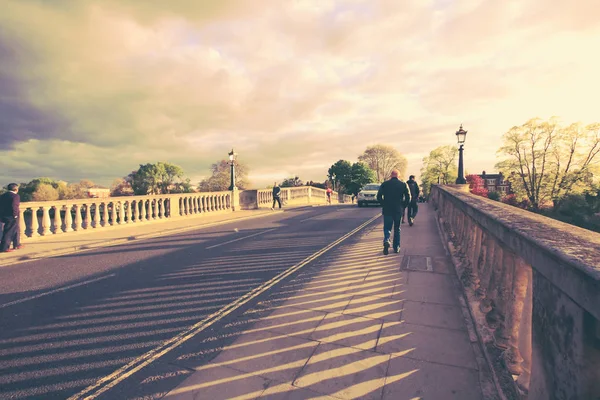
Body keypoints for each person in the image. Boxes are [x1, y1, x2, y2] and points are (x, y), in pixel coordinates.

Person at [376, 170, 411, 255]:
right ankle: (396, 247)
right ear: (399, 176)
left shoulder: (385, 184)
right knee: (397, 229)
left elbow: (378, 196)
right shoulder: (403, 184)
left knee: (387, 228)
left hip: (387, 209)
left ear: (391, 176)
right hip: (398, 210)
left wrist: (383, 204)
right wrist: (403, 206)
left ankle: (387, 240)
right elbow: (408, 197)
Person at [0, 183, 22, 253]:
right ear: (16, 189)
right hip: (12, 216)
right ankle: (4, 248)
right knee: (8, 231)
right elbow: (14, 206)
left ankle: (17, 244)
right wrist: (15, 215)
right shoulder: (15, 196)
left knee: (16, 229)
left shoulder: (2, 196)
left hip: (4, 215)